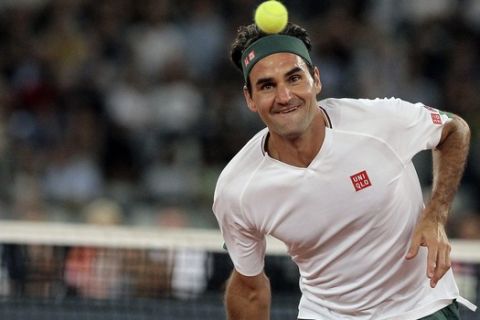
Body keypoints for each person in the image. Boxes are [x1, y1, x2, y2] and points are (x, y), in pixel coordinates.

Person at [212, 22, 477, 320]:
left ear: (316, 80)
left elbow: (455, 129)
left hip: (419, 307)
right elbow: (249, 288)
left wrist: (436, 215)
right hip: (326, 314)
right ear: (249, 98)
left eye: (294, 78)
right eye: (267, 85)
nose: (285, 96)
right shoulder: (237, 190)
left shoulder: (379, 122)